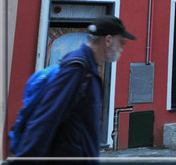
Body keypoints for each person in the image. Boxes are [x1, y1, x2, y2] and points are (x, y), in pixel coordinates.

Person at [14, 15, 135, 158]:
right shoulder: (77, 70)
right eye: (122, 42)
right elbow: (45, 119)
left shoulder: (89, 69)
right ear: (108, 40)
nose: (122, 48)